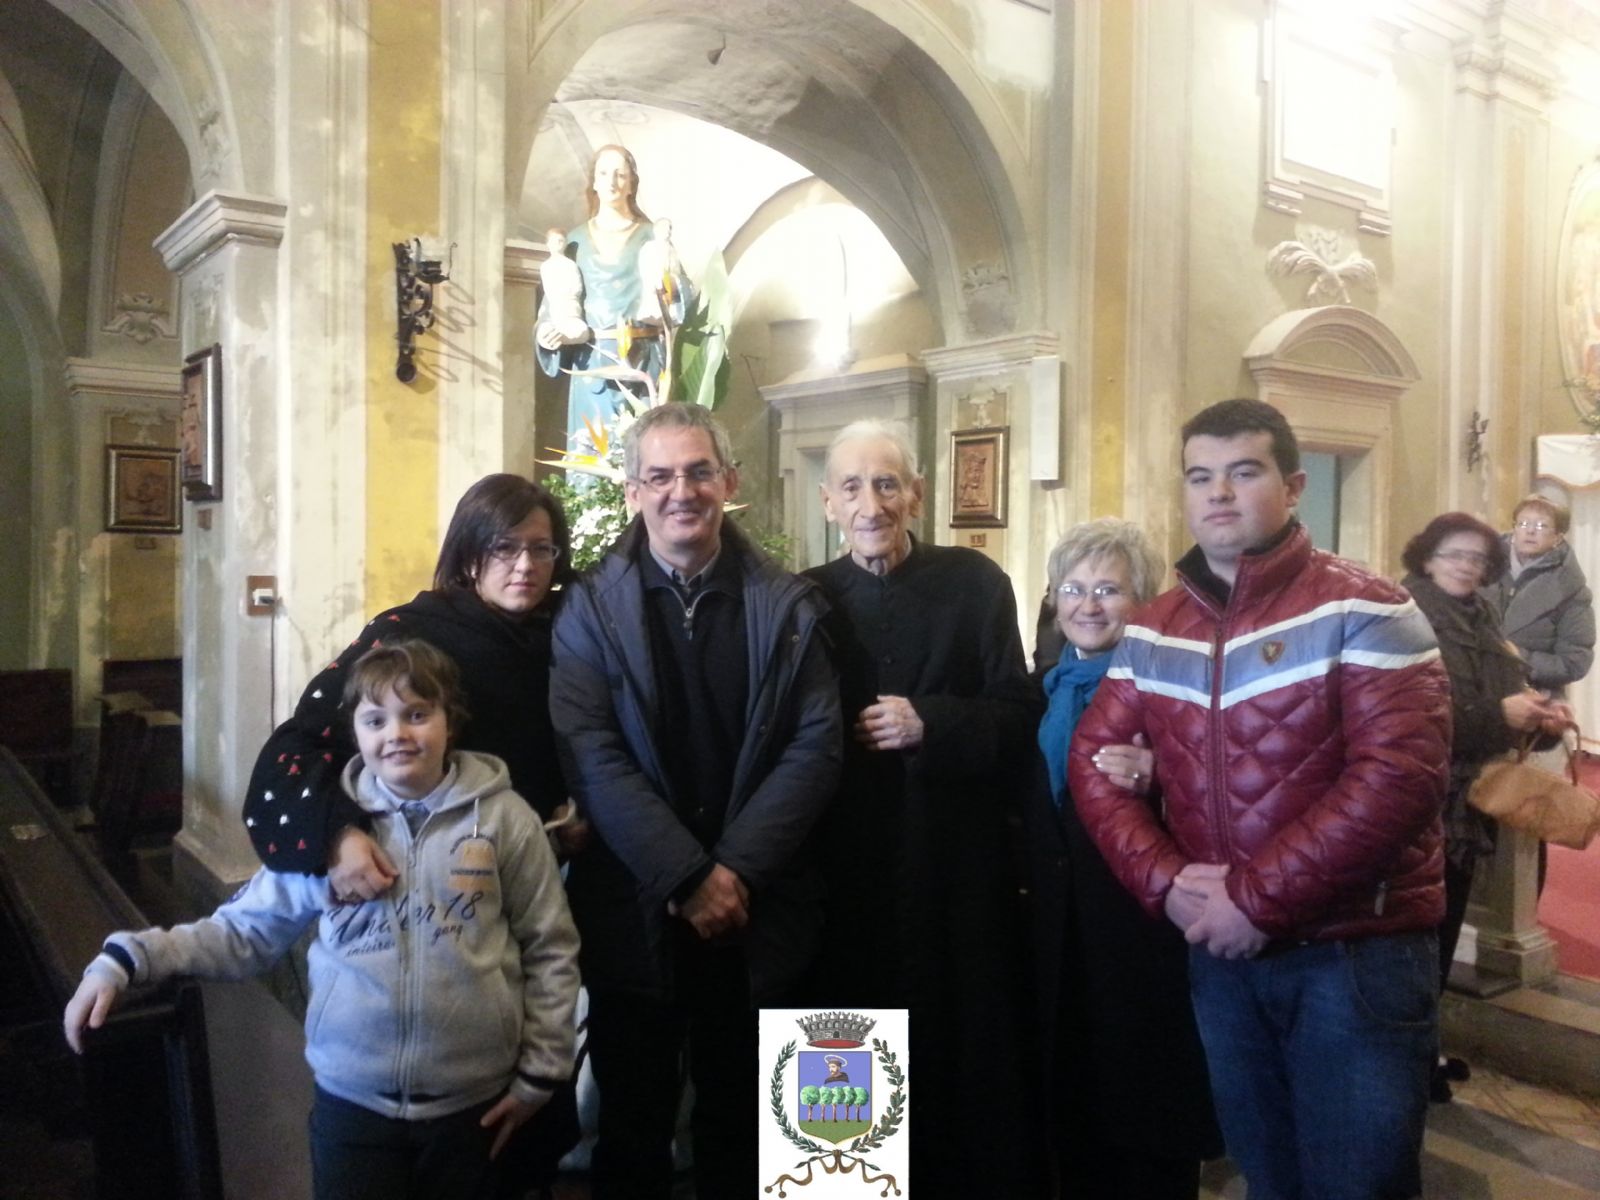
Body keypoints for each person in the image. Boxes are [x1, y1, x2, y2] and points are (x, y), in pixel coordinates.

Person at [1069, 398, 1451, 1200]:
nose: (1218, 493)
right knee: (1268, 1178)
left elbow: (1400, 777)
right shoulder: (1156, 627)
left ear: (1293, 486)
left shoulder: (1366, 606)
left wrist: (1255, 900)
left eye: (1243, 472)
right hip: (1220, 951)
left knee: (1359, 1184)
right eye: (1200, 476)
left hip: (1353, 949)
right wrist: (1167, 882)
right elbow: (1092, 764)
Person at [66, 640, 581, 1200]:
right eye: (375, 720)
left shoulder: (506, 821)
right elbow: (243, 930)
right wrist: (131, 957)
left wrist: (540, 1075)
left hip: (474, 1106)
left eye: (417, 714)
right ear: (354, 732)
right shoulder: (329, 831)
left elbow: (549, 947)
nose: (397, 734)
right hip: (352, 1106)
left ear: (450, 722)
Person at [241, 472, 585, 1189]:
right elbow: (297, 748)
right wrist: (337, 834)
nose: (525, 565)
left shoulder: (566, 631)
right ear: (468, 553)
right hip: (416, 908)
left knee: (506, 1158)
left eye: (541, 548)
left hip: (527, 892)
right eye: (504, 547)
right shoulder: (410, 632)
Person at [547, 402, 841, 1200]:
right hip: (637, 906)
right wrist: (686, 876)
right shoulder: (589, 608)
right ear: (633, 491)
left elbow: (815, 744)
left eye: (699, 472)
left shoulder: (785, 604)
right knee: (633, 1129)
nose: (682, 491)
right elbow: (590, 751)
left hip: (757, 909)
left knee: (745, 1129)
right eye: (661, 475)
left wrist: (733, 872)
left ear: (729, 482)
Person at [803, 419, 1042, 1196]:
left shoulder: (977, 584)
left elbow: (1019, 714)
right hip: (843, 880)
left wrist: (930, 723)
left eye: (886, 484)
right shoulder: (804, 598)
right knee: (839, 1098)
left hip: (955, 874)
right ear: (828, 502)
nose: (870, 504)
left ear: (916, 493)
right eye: (852, 487)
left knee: (963, 1079)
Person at [1027, 518, 1221, 1199]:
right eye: (1072, 588)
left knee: (1146, 1113)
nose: (1087, 605)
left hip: (1143, 930)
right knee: (1077, 1105)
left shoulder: (1175, 684)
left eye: (1108, 589)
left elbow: (1228, 784)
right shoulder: (1047, 687)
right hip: (1067, 930)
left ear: (1142, 601)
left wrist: (1164, 774)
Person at [1401, 512, 1570, 1099]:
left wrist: (1540, 717)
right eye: (1455, 554)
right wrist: (1500, 714)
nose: (1467, 566)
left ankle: (1425, 1050)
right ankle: (1403, 1063)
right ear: (1427, 558)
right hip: (1419, 801)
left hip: (1467, 800)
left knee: (1443, 932)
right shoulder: (1406, 618)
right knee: (1415, 939)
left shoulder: (1483, 617)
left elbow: (1506, 696)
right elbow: (1412, 720)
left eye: (1478, 558)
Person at [535, 145, 694, 446]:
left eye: (620, 175)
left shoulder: (653, 237)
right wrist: (547, 333)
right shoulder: (575, 242)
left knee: (646, 448)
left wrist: (670, 290)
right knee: (593, 448)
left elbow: (682, 293)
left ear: (632, 184)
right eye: (604, 174)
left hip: (643, 360)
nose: (612, 182)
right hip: (592, 364)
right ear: (594, 182)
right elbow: (554, 302)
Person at [1481, 494, 1595, 700]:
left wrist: (1519, 658)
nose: (1530, 531)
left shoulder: (1571, 590)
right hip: (1472, 690)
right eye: (1523, 523)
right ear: (1514, 528)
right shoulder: (1481, 566)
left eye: (1541, 526)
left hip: (1533, 695)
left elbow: (1575, 662)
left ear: (1558, 537)